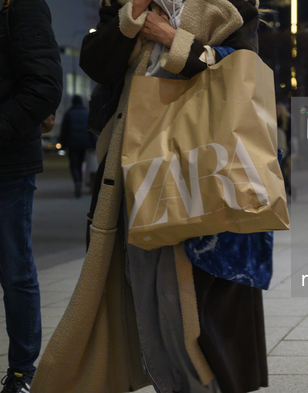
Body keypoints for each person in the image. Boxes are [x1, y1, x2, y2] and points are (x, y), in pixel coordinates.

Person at [31, 1, 268, 392]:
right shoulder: (127, 4)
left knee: (194, 297)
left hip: (204, 166)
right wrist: (131, 17)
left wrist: (175, 41)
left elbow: (244, 71)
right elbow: (98, 65)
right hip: (136, 163)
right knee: (144, 288)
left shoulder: (232, 6)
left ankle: (208, 384)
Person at [0, 0, 63, 391]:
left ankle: (22, 371)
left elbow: (45, 85)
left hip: (7, 162)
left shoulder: (20, 5)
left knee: (14, 269)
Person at [59, 95, 96, 198]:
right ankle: (80, 179)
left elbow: (64, 131)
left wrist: (62, 145)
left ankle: (77, 180)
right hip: (84, 143)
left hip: (72, 144)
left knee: (74, 164)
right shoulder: (86, 114)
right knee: (81, 162)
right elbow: (91, 130)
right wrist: (94, 145)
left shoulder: (68, 114)